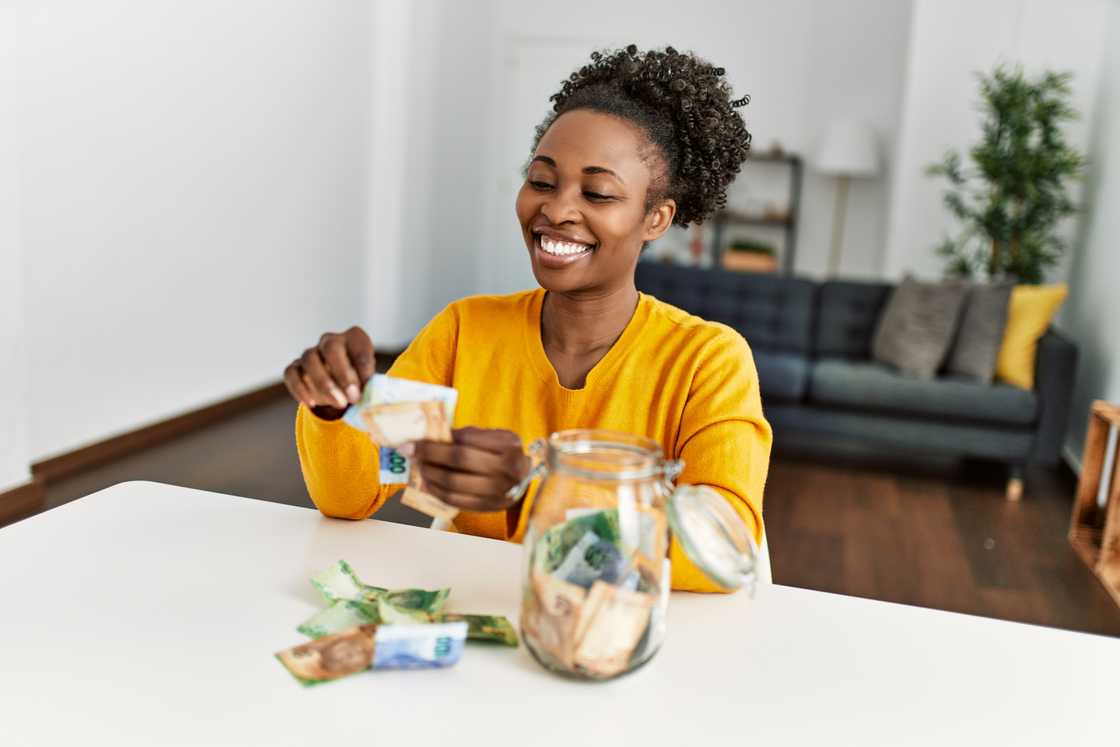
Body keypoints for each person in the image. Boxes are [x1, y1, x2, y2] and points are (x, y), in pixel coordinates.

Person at [283, 45, 771, 593]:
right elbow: (349, 498)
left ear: (655, 218)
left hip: (626, 642)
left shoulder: (707, 360)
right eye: (542, 181)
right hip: (486, 620)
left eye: (598, 192)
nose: (557, 209)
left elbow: (726, 546)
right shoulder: (466, 332)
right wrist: (334, 409)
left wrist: (534, 495)